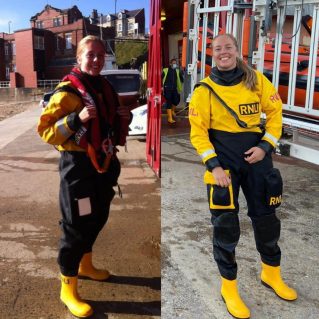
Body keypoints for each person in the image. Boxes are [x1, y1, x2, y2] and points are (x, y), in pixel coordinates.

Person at [189, 33, 297, 319]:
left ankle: (271, 274)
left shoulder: (257, 81)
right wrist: (214, 166)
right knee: (225, 225)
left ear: (237, 51)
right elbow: (198, 133)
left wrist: (265, 146)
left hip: (257, 160)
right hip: (223, 165)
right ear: (212, 54)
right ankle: (229, 287)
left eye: (228, 47)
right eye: (217, 49)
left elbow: (275, 114)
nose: (223, 52)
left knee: (267, 219)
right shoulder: (204, 90)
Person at [37, 35, 131, 318]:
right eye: (90, 55)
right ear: (78, 58)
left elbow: (108, 122)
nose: (97, 60)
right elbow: (45, 132)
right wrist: (76, 119)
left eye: (101, 55)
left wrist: (120, 116)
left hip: (101, 166)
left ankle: (85, 265)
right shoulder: (66, 92)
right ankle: (68, 286)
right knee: (76, 226)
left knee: (97, 217)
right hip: (77, 168)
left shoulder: (104, 86)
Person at [162, 58, 184, 123]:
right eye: (173, 63)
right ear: (170, 64)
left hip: (174, 88)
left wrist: (182, 73)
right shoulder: (165, 70)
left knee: (176, 100)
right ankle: (170, 118)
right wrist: (161, 87)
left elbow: (182, 79)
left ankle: (172, 111)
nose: (175, 64)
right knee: (169, 102)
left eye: (175, 63)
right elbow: (160, 78)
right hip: (167, 88)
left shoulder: (177, 71)